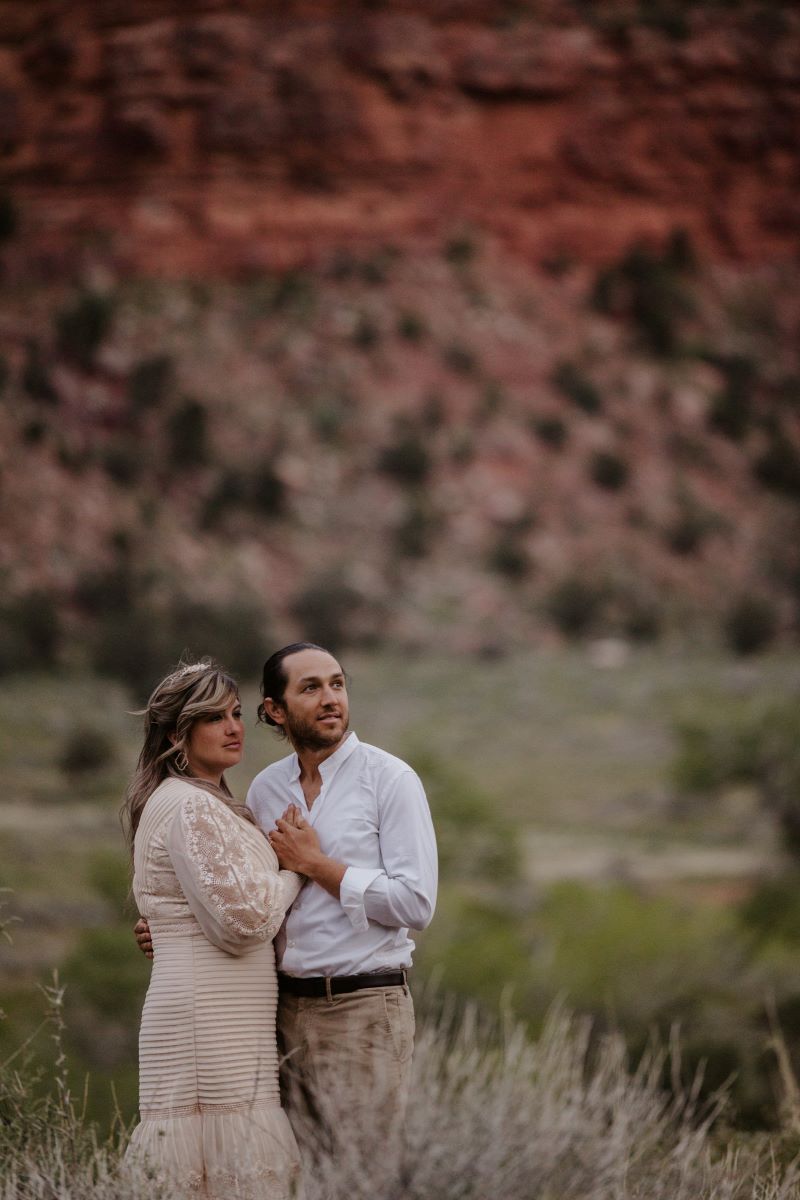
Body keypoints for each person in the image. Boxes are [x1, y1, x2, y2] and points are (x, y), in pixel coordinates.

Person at [136, 642, 438, 1159]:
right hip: (278, 1012)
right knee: (294, 1174)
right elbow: (245, 895)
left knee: (364, 1176)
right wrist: (174, 926)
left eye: (337, 684)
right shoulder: (265, 789)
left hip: (363, 1007)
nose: (330, 699)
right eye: (311, 687)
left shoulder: (390, 780)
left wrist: (316, 865)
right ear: (275, 710)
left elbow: (416, 904)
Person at [124, 659, 308, 1200]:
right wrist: (296, 867)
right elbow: (245, 922)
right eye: (215, 718)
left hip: (216, 1009)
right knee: (222, 1167)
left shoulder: (195, 801)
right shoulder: (190, 808)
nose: (234, 727)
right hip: (208, 1017)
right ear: (178, 734)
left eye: (235, 714)